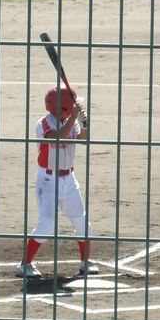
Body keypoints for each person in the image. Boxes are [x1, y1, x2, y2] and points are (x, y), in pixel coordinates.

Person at [15, 86, 97, 279]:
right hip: (48, 181)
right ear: (63, 106)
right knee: (46, 223)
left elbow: (83, 139)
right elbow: (57, 137)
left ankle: (85, 262)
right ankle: (25, 264)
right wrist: (74, 117)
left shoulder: (70, 121)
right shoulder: (43, 124)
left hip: (69, 180)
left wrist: (84, 123)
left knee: (82, 222)